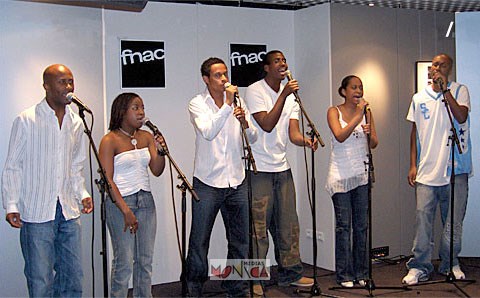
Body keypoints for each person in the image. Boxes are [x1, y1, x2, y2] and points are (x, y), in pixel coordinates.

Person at [2, 64, 94, 297]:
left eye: (71, 81)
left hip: (68, 212)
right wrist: (11, 204)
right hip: (36, 212)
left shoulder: (76, 122)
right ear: (46, 86)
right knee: (41, 281)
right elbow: (13, 166)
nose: (69, 87)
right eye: (62, 82)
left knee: (73, 278)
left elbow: (75, 165)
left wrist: (82, 193)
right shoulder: (26, 120)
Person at [244, 50, 318, 295]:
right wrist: (284, 95)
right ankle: (255, 279)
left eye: (284, 60)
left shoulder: (292, 95)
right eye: (277, 61)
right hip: (259, 170)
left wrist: (305, 140)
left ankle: (291, 274)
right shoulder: (255, 90)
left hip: (282, 168)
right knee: (258, 229)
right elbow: (266, 124)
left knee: (288, 225)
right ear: (266, 67)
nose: (283, 64)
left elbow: (292, 132)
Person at [186, 57, 258, 297]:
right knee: (199, 242)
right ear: (206, 79)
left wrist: (244, 121)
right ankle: (193, 290)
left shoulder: (239, 101)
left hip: (237, 179)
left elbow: (254, 137)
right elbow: (207, 132)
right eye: (218, 75)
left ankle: (234, 288)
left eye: (225, 73)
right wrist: (227, 107)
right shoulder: (197, 103)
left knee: (240, 241)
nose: (225, 79)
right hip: (207, 182)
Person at [403, 53, 472, 285]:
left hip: (456, 169)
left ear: (449, 69)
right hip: (426, 171)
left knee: (453, 221)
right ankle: (419, 266)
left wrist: (446, 92)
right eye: (434, 65)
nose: (436, 68)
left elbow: (461, 116)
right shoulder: (418, 97)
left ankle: (450, 262)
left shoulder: (460, 90)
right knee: (423, 220)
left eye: (442, 65)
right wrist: (413, 164)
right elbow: (414, 132)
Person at [99, 92, 166, 297]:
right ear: (121, 111)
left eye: (142, 108)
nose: (141, 112)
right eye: (135, 108)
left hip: (146, 200)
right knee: (124, 262)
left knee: (145, 261)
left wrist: (161, 150)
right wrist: (126, 210)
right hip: (121, 203)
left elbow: (157, 170)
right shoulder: (109, 140)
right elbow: (108, 180)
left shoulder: (146, 137)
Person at [325, 75, 378, 288]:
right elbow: (339, 135)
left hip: (361, 174)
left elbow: (374, 142)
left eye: (361, 87)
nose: (358, 91)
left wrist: (368, 133)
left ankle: (362, 272)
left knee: (362, 226)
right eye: (354, 87)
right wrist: (358, 116)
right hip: (340, 176)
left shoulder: (368, 112)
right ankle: (344, 274)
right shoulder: (333, 111)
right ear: (344, 91)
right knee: (344, 226)